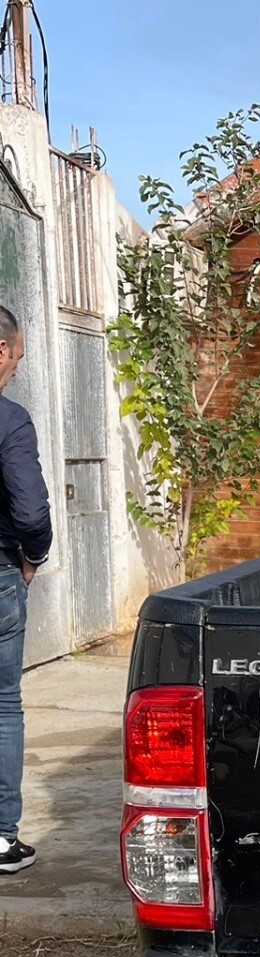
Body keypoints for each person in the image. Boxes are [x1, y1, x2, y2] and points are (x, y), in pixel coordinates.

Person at [0, 303, 52, 874]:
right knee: (2, 707)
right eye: (17, 356)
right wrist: (33, 555)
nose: (17, 367)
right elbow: (31, 509)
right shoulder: (8, 421)